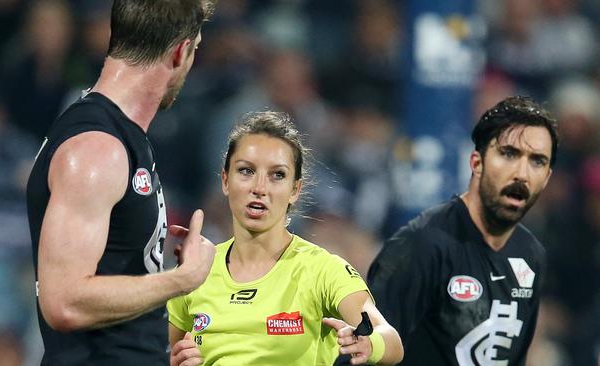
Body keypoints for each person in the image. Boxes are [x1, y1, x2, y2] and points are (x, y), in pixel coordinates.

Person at [26, 1, 217, 364]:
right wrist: (181, 279)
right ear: (180, 52)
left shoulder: (118, 136)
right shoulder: (98, 149)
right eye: (195, 50)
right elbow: (64, 301)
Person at [167, 111, 404, 365]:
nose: (259, 188)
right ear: (226, 181)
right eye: (246, 171)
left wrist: (369, 343)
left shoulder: (321, 270)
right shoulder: (196, 271)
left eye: (277, 175)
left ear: (295, 190)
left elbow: (391, 341)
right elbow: (165, 352)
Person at [366, 96, 559, 366]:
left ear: (547, 177)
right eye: (509, 154)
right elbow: (361, 354)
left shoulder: (531, 255)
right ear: (476, 163)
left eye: (537, 161)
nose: (522, 173)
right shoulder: (420, 246)